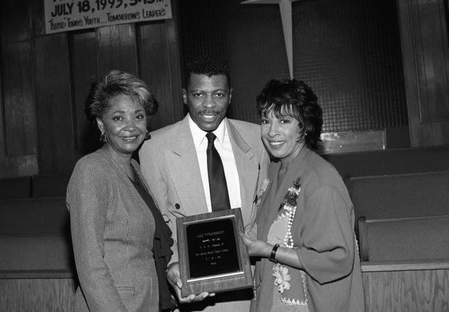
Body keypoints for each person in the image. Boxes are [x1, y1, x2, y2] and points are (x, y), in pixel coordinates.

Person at [139, 55, 269, 311]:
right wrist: (174, 269)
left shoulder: (258, 139)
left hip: (251, 287)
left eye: (218, 95)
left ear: (230, 96)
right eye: (199, 95)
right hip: (191, 290)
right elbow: (159, 222)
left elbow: (264, 210)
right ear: (185, 96)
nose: (209, 105)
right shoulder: (154, 147)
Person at [240, 79, 365, 312]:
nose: (272, 131)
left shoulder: (321, 181)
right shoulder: (276, 170)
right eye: (266, 121)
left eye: (284, 121)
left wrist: (270, 251)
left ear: (304, 126)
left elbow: (338, 258)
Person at [66, 70, 175, 312]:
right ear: (100, 124)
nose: (131, 127)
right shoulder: (91, 170)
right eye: (118, 118)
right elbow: (90, 267)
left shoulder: (134, 167)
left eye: (138, 116)